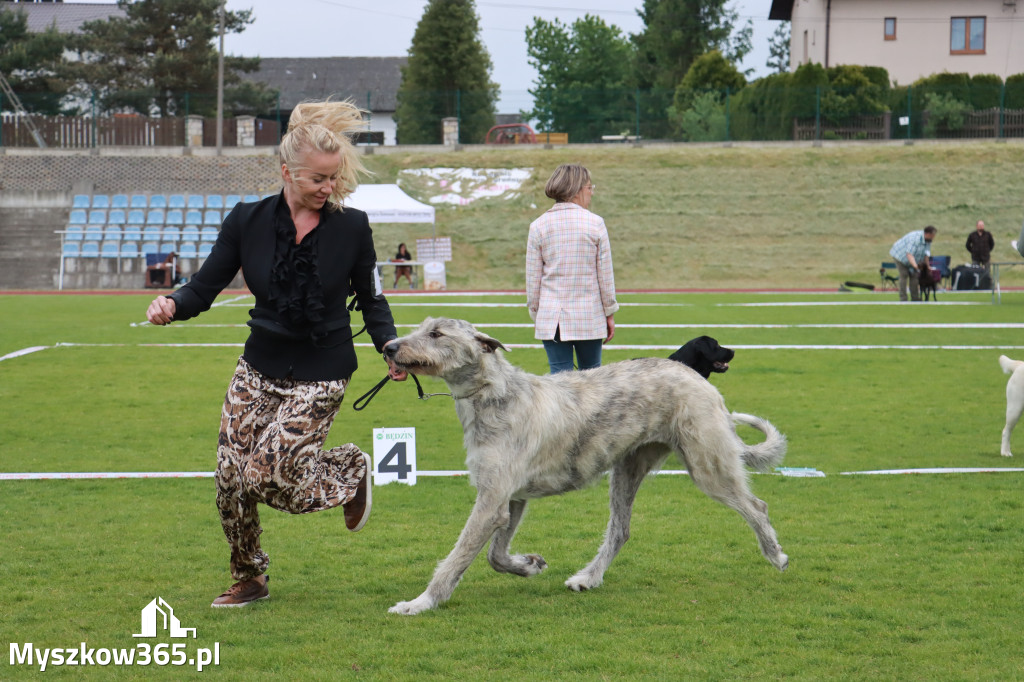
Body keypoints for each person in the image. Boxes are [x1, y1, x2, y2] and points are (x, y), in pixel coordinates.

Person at [145, 100, 407, 608]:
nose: (327, 188)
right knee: (229, 477)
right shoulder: (247, 221)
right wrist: (171, 304)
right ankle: (250, 576)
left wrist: (391, 349)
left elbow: (372, 298)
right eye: (316, 179)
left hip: (322, 370)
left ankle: (348, 470)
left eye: (333, 179)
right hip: (258, 367)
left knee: (267, 475)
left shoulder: (353, 228)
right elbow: (203, 287)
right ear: (286, 171)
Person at [526, 163, 618, 373]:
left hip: (552, 317)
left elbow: (533, 280)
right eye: (589, 187)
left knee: (560, 380)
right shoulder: (595, 223)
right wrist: (609, 312)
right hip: (590, 314)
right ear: (577, 190)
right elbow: (605, 276)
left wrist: (537, 313)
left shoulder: (538, 225)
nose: (591, 193)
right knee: (593, 378)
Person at [888, 225, 937, 301]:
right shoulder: (915, 239)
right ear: (927, 234)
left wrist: (928, 266)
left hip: (914, 259)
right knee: (904, 275)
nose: (933, 238)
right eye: (932, 236)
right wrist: (915, 266)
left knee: (915, 276)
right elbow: (909, 254)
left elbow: (926, 254)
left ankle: (915, 298)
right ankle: (903, 299)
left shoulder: (928, 241)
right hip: (900, 256)